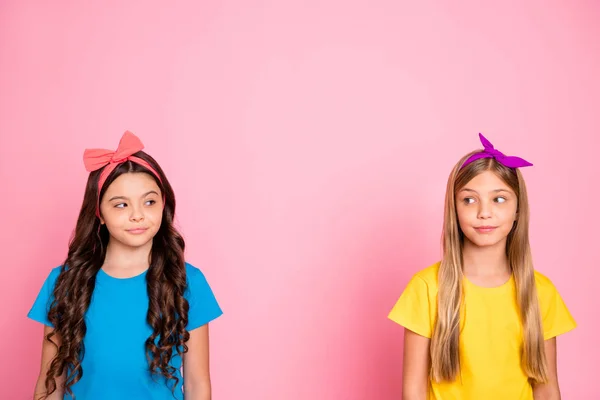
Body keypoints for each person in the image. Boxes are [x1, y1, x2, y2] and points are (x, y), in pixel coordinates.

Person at [28, 131, 222, 400]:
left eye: (149, 201)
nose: (138, 214)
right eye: (121, 205)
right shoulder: (63, 282)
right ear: (100, 214)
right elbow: (50, 382)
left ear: (163, 204)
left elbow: (198, 384)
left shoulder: (187, 280)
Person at [388, 133, 576, 399]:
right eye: (469, 199)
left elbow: (546, 389)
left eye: (499, 199)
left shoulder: (540, 292)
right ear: (454, 209)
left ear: (517, 209)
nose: (484, 212)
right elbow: (414, 390)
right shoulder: (426, 288)